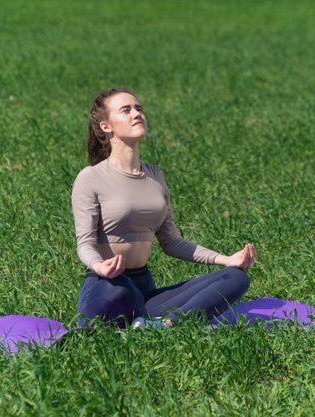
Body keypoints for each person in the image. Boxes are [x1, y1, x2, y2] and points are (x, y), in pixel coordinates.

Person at [72, 88, 256, 329]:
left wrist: (227, 260)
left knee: (235, 278)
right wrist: (99, 266)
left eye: (138, 108)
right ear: (106, 126)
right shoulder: (91, 177)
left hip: (144, 291)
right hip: (106, 285)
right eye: (126, 110)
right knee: (121, 293)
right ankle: (124, 322)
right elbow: (84, 243)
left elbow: (171, 242)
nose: (136, 113)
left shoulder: (155, 176)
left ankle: (165, 325)